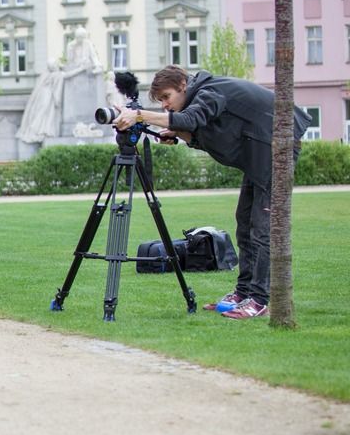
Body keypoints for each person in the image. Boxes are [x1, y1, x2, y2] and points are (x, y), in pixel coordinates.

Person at [113, 65, 311, 320]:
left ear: (183, 85)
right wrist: (179, 134)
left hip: (277, 148)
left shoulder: (210, 92)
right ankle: (243, 293)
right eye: (160, 100)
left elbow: (193, 120)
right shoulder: (202, 95)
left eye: (166, 97)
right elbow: (209, 131)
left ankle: (260, 301)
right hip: (260, 155)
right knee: (244, 223)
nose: (164, 105)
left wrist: (140, 115)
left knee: (262, 228)